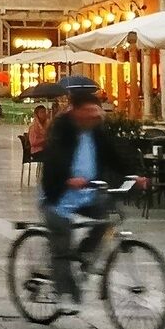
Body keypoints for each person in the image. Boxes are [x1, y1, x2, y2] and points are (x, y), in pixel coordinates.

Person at [35, 84, 129, 317]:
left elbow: (113, 155)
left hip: (86, 194)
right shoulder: (62, 130)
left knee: (104, 221)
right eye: (88, 110)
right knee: (62, 241)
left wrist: (134, 176)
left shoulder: (96, 131)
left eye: (96, 111)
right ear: (75, 111)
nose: (94, 115)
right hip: (57, 196)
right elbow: (54, 160)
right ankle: (65, 293)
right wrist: (68, 178)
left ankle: (82, 257)